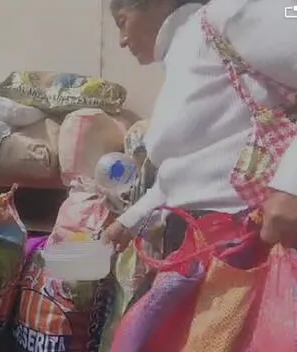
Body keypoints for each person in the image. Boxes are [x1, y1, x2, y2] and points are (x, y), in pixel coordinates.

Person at [102, 0, 297, 254]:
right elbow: (191, 167)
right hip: (202, 242)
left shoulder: (230, 11)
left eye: (122, 22)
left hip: (253, 240)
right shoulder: (185, 51)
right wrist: (130, 221)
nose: (122, 41)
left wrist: (290, 186)